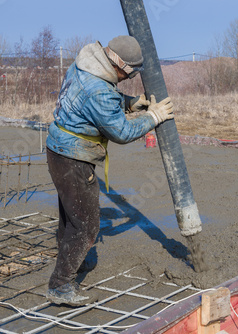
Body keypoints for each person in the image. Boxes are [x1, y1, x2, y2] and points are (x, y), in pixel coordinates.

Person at [45, 35, 173, 306]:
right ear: (121, 65)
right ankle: (59, 286)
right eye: (131, 72)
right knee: (87, 227)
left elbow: (96, 99)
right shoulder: (100, 90)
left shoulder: (87, 63)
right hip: (73, 159)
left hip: (58, 150)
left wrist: (129, 103)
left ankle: (69, 263)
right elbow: (122, 132)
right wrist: (153, 116)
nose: (131, 77)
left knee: (70, 217)